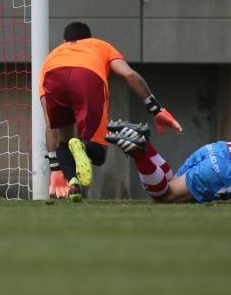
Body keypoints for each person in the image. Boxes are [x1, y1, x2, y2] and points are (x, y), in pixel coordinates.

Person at [40, 21, 182, 202]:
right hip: (88, 76)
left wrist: (55, 168)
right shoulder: (101, 45)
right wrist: (156, 109)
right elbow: (129, 74)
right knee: (98, 154)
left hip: (54, 76)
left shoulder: (52, 57)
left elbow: (49, 121)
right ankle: (82, 146)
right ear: (89, 38)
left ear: (64, 40)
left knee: (63, 139)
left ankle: (72, 184)